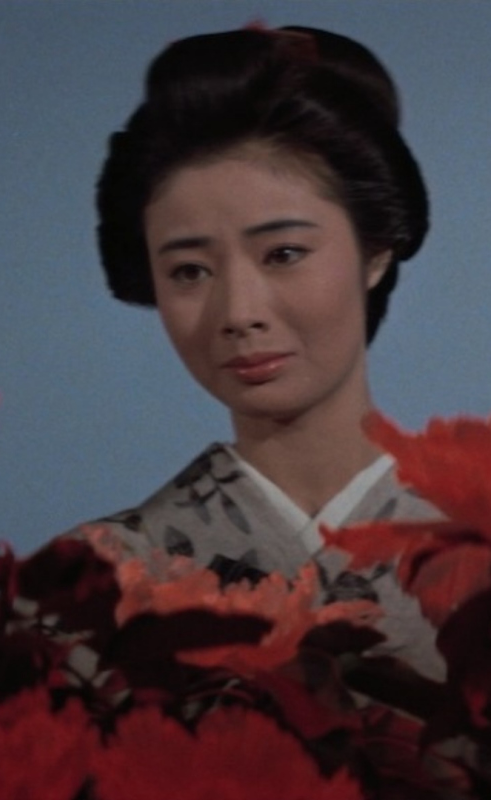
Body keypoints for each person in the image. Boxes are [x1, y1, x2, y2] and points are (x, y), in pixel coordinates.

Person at [71, 25, 443, 678]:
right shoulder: (88, 583)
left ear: (376, 250)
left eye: (284, 254)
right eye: (189, 271)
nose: (239, 313)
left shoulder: (475, 544)